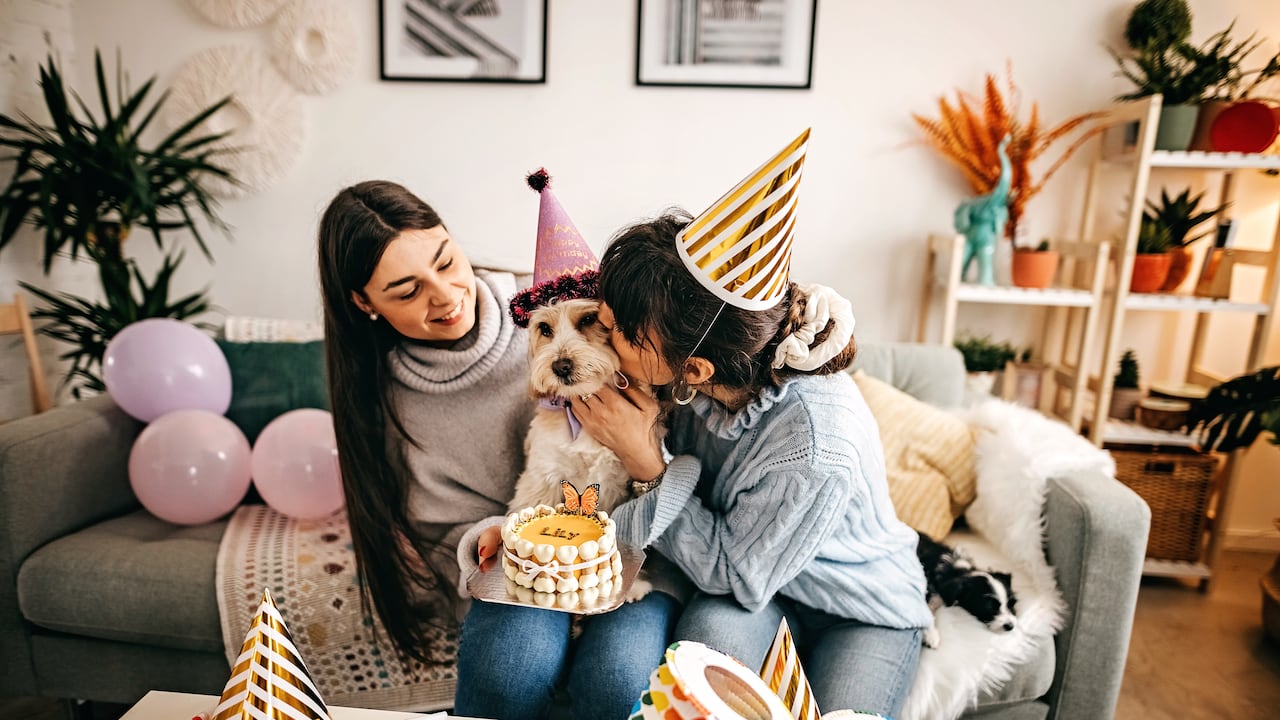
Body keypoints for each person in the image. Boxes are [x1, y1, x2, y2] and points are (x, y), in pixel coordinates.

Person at [572, 131, 933, 717]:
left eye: (617, 331)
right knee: (696, 677)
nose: (603, 337)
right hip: (759, 588)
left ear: (694, 367)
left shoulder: (815, 443)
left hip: (853, 607)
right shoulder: (682, 381)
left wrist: (647, 463)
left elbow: (735, 573)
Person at [318, 178, 677, 720]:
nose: (444, 296)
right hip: (520, 554)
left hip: (638, 548)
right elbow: (435, 531)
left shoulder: (548, 293)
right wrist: (491, 537)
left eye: (445, 261)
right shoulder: (381, 397)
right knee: (509, 666)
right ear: (363, 302)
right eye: (407, 290)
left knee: (617, 677)